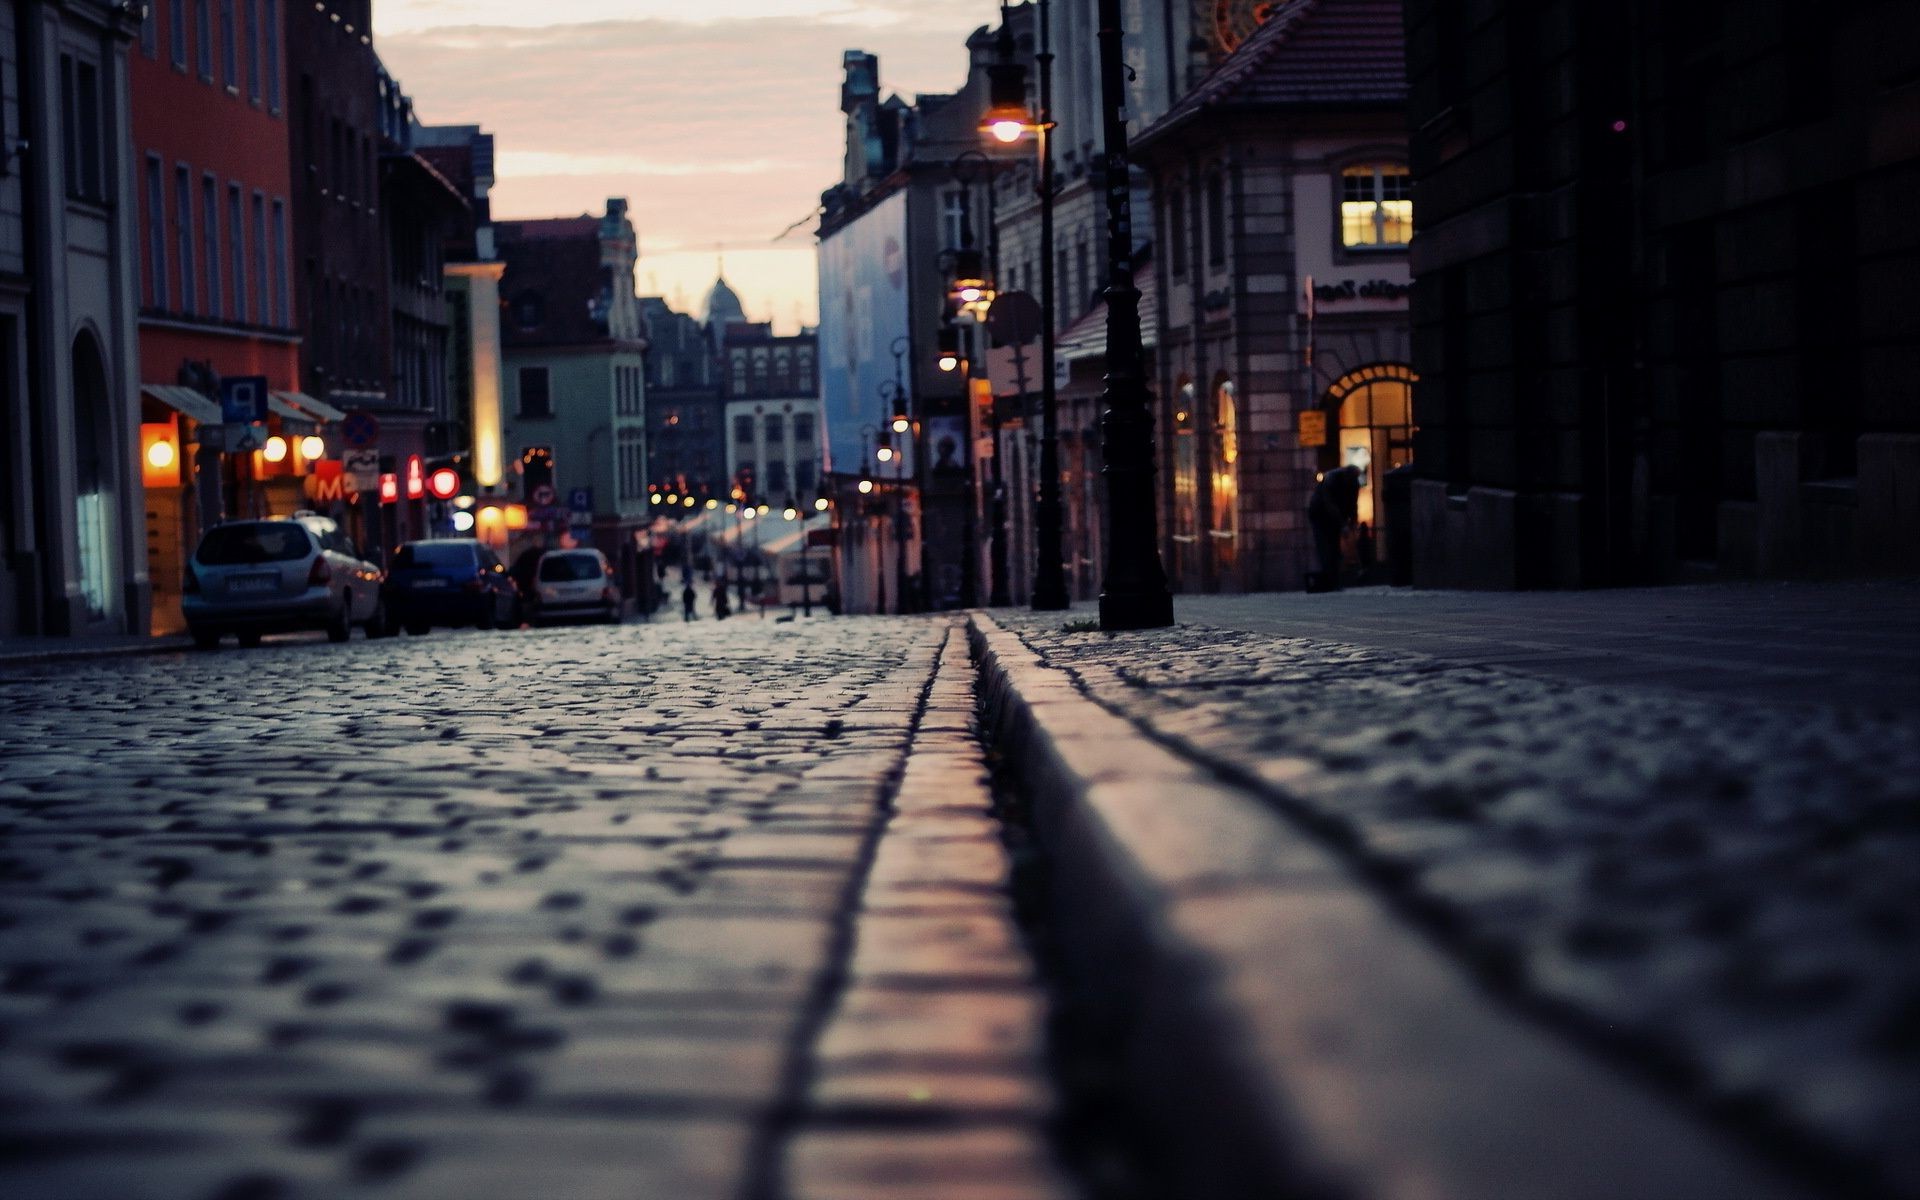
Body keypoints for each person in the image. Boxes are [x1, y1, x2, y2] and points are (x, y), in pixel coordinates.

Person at [1307, 464, 1362, 591]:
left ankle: (1334, 581)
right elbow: (1329, 504)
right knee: (1325, 547)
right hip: (1320, 515)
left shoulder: (1354, 483)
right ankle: (1329, 580)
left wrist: (1353, 522)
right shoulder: (1331, 479)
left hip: (1335, 517)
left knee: (1335, 549)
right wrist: (1343, 524)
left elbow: (1354, 504)